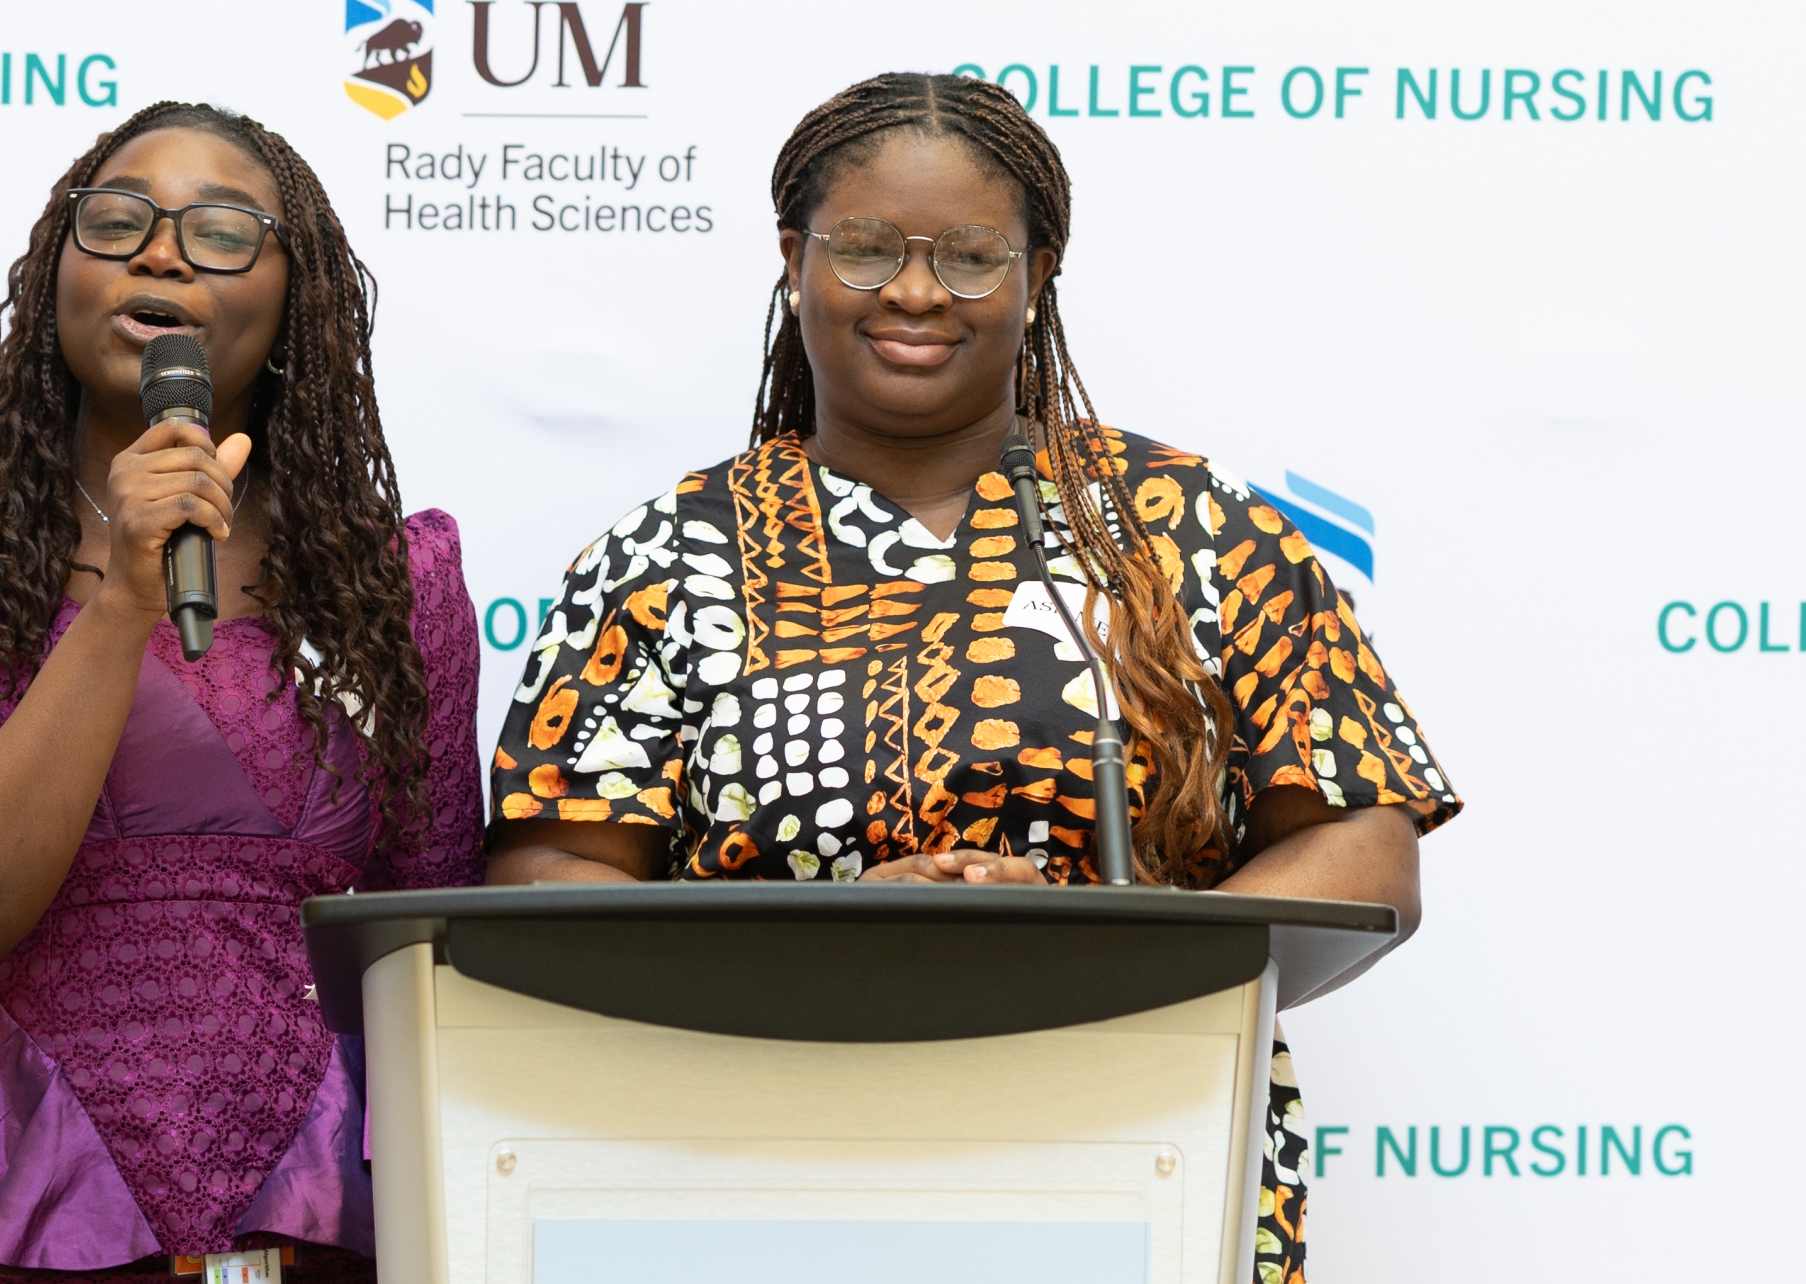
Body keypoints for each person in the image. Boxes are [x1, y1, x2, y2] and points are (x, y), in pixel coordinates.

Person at [486, 71, 1457, 1282]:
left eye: (969, 255)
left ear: (1036, 274)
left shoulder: (1188, 528)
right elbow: (547, 875)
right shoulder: (667, 557)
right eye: (865, 248)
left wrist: (1113, 950)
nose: (913, 290)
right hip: (752, 1163)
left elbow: (1364, 847)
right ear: (793, 260)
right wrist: (817, 937)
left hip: (1142, 1150)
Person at [0, 100, 484, 1282]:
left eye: (221, 231)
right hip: (26, 1212)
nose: (161, 253)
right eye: (118, 221)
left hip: (319, 1218)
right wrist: (125, 598)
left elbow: (433, 950)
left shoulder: (393, 582)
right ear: (55, 274)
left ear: (295, 300)